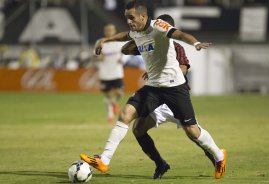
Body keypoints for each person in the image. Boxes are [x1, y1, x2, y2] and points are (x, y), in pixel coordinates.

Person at [80, 1, 227, 180]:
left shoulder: (159, 26)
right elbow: (126, 37)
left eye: (131, 18)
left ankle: (219, 156)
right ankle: (104, 160)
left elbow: (179, 34)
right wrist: (106, 40)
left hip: (174, 88)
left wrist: (195, 43)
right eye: (127, 18)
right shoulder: (136, 31)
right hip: (153, 89)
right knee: (126, 115)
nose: (129, 21)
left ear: (143, 16)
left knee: (193, 132)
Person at [122, 14, 216, 179]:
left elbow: (183, 68)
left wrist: (163, 73)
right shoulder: (150, 42)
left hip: (174, 99)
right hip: (157, 99)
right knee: (138, 129)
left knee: (194, 134)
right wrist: (135, 37)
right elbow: (126, 50)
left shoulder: (176, 46)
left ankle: (215, 158)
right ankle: (160, 164)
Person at [95, 24, 125, 123]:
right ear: (105, 31)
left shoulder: (119, 42)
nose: (109, 32)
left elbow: (125, 54)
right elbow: (95, 55)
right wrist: (99, 57)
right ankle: (110, 115)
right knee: (107, 95)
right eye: (107, 30)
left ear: (114, 31)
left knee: (119, 93)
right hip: (104, 73)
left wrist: (122, 59)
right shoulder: (100, 42)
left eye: (111, 30)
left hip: (116, 72)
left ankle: (115, 103)